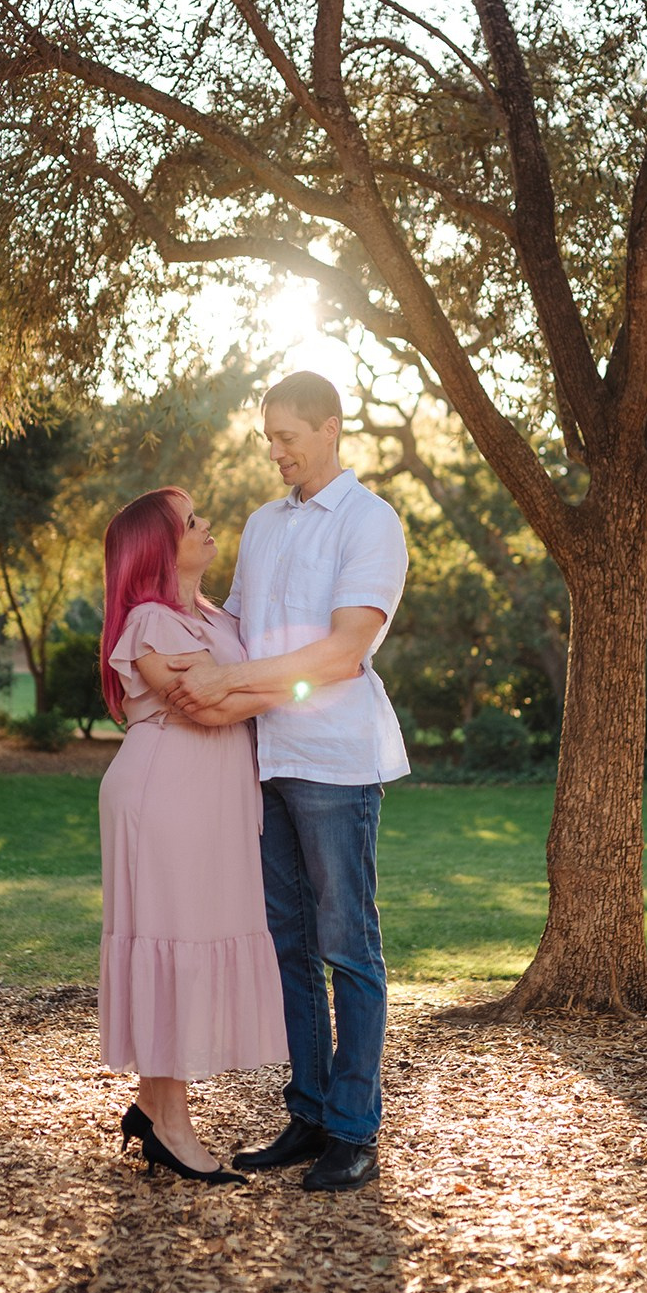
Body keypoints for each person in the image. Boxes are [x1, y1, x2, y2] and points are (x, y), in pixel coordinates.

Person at [166, 372, 409, 1194]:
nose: (275, 451)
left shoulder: (371, 523)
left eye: (289, 436)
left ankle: (353, 1128)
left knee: (348, 946)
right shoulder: (263, 524)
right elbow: (234, 628)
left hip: (336, 763)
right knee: (288, 949)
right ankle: (306, 1114)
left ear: (331, 428)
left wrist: (237, 688)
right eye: (267, 436)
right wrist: (166, 628)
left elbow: (344, 651)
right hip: (263, 759)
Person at [98, 486, 290, 1186]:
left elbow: (226, 690)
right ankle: (172, 1127)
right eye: (191, 523)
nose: (209, 527)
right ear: (159, 549)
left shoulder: (211, 618)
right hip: (163, 796)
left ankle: (151, 1106)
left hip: (206, 800)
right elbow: (209, 706)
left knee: (192, 943)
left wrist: (247, 683)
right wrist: (309, 676)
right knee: (171, 945)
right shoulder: (149, 620)